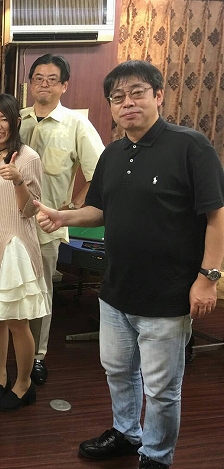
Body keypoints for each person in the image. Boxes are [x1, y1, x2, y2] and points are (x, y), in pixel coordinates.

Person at [34, 60, 224, 469]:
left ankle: (156, 456)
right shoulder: (113, 153)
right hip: (115, 289)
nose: (127, 103)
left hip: (168, 294)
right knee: (118, 371)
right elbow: (99, 209)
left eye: (137, 93)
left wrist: (208, 278)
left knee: (161, 388)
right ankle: (126, 432)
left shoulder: (191, 146)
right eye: (117, 97)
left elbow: (215, 216)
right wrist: (63, 216)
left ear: (158, 95)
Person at [0, 54, 104, 385]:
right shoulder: (15, 117)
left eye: (52, 79)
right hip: (3, 225)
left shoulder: (76, 124)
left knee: (37, 297)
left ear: (64, 85)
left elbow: (100, 172)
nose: (44, 84)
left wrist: (73, 207)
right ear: (29, 84)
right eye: (38, 78)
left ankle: (36, 358)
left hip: (45, 226)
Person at [0, 94, 49, 411]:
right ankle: (1, 376)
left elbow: (30, 210)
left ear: (16, 122)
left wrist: (18, 180)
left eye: (4, 119)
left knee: (18, 322)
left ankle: (24, 383)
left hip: (16, 247)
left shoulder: (28, 158)